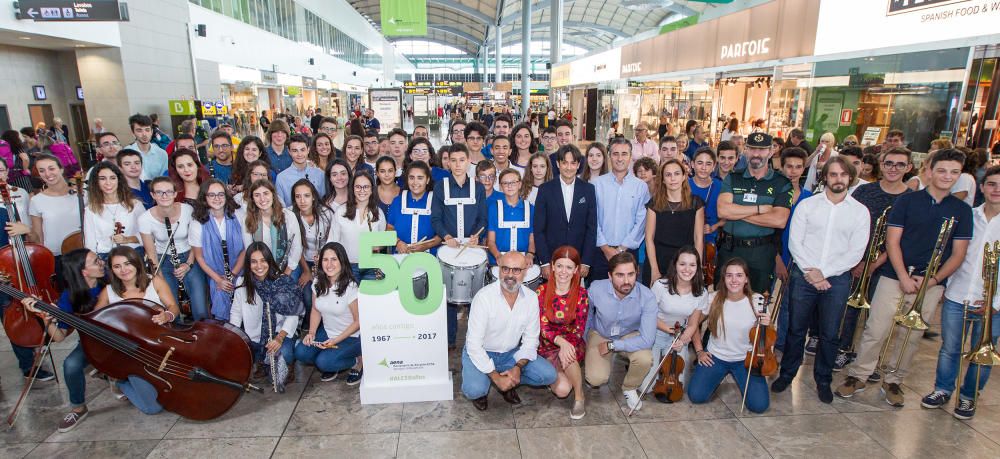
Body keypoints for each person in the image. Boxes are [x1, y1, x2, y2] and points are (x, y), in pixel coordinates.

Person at [836, 149, 973, 407]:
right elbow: (893, 241)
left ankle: (894, 380)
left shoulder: (962, 211)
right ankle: (859, 375)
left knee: (911, 335)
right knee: (876, 329)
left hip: (930, 283)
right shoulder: (907, 201)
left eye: (954, 172)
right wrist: (902, 275)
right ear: (929, 171)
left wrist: (932, 281)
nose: (947, 176)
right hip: (894, 276)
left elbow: (958, 254)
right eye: (942, 170)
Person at [771, 157, 871, 404]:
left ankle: (823, 380)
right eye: (833, 174)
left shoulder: (859, 211)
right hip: (803, 275)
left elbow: (856, 251)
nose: (838, 179)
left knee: (829, 333)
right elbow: (795, 241)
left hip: (836, 279)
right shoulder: (808, 205)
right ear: (825, 177)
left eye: (843, 175)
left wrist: (824, 273)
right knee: (796, 329)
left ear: (850, 178)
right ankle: (787, 374)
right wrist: (811, 271)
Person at [921, 165, 1000, 419]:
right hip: (958, 294)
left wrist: (995, 302)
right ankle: (943, 389)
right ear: (983, 187)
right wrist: (945, 285)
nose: (996, 190)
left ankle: (968, 396)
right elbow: (953, 254)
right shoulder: (968, 215)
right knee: (950, 348)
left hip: (994, 303)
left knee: (983, 351)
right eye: (991, 184)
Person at [834, 147, 914, 370]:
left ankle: (870, 358)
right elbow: (847, 225)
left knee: (879, 315)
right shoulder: (864, 191)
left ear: (908, 168)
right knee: (850, 308)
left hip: (888, 264)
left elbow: (905, 237)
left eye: (900, 165)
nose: (893, 169)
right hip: (856, 261)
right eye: (889, 163)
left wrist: (874, 263)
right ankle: (844, 349)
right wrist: (856, 261)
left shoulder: (911, 199)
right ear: (881, 164)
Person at [461, 251, 557, 411]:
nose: (510, 275)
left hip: (511, 354)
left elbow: (531, 340)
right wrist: (495, 377)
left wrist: (517, 368)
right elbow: (474, 345)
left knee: (548, 375)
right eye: (505, 269)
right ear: (498, 269)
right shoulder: (483, 298)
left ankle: (510, 380)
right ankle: (486, 386)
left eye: (516, 270)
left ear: (525, 271)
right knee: (474, 390)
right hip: (481, 351)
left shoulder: (532, 298)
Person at [20, 249, 104, 431]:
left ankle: (113, 377)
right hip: (90, 343)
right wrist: (45, 318)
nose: (102, 262)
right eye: (96, 261)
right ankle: (78, 408)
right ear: (84, 271)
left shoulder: (110, 282)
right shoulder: (70, 296)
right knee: (70, 365)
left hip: (123, 338)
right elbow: (59, 337)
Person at [96, 246, 180, 412]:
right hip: (131, 354)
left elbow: (173, 307)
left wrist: (167, 315)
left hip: (161, 345)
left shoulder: (154, 282)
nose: (123, 270)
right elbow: (95, 319)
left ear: (136, 263)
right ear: (112, 270)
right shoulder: (108, 292)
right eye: (117, 266)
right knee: (153, 408)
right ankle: (121, 382)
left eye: (127, 264)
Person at [682, 258, 770, 413]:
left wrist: (766, 325)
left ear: (746, 279)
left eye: (739, 275)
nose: (734, 280)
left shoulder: (758, 301)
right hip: (716, 358)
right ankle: (716, 375)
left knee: (759, 406)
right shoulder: (713, 298)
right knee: (696, 396)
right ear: (723, 278)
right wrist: (699, 351)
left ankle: (735, 377)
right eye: (729, 275)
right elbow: (693, 324)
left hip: (746, 360)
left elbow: (767, 338)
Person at [716, 132, 793, 292]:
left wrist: (737, 212)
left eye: (762, 149)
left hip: (761, 253)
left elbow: (779, 220)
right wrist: (760, 209)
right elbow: (723, 211)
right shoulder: (733, 177)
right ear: (745, 150)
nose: (756, 154)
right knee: (722, 302)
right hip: (731, 250)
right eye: (752, 149)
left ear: (771, 151)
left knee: (756, 304)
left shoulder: (781, 183)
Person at [584, 252, 656, 411]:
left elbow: (648, 339)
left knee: (645, 358)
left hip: (629, 334)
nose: (626, 281)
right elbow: (586, 316)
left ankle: (630, 387)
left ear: (637, 272)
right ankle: (597, 366)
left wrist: (614, 346)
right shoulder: (596, 288)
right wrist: (584, 342)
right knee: (596, 379)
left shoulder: (647, 296)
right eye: (620, 275)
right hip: (600, 333)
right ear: (610, 276)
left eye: (631, 274)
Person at [431, 144, 486, 346]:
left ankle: (476, 339)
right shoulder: (440, 187)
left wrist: (476, 237)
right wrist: (446, 236)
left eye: (461, 160)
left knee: (476, 294)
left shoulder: (478, 187)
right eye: (452, 160)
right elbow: (435, 218)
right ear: (447, 162)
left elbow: (483, 218)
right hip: (450, 247)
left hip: (472, 247)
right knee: (448, 296)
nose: (457, 165)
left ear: (468, 160)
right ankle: (449, 339)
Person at [639, 247, 708, 402]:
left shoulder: (701, 292)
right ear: (675, 265)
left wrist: (682, 341)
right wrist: (669, 330)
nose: (687, 269)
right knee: (646, 388)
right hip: (655, 333)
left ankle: (663, 370)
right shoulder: (660, 286)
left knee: (677, 382)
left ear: (697, 268)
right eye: (682, 264)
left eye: (692, 265)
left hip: (678, 337)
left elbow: (692, 324)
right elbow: (648, 316)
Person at [230, 242, 302, 389]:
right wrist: (233, 339)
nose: (259, 266)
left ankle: (288, 364)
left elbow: (293, 315)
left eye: (263, 260)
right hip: (255, 337)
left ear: (269, 261)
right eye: (254, 261)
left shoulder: (282, 282)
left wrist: (279, 338)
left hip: (280, 333)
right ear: (248, 264)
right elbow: (236, 313)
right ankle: (263, 362)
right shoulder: (242, 282)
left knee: (285, 355)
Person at [139, 177, 209, 320]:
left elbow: (196, 243)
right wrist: (159, 277)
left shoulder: (188, 210)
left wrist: (188, 265)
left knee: (200, 308)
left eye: (168, 192)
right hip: (163, 261)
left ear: (175, 193)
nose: (164, 196)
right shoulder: (145, 219)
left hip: (189, 256)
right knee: (171, 308)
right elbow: (151, 253)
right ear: (152, 195)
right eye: (159, 192)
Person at [296, 241, 364, 383]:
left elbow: (359, 322)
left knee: (324, 362)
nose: (329, 264)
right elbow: (315, 309)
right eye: (325, 260)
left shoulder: (350, 286)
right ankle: (334, 361)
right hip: (328, 331)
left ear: (342, 261)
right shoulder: (317, 283)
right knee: (301, 352)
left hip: (351, 336)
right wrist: (312, 333)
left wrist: (335, 340)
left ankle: (357, 361)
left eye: (334, 259)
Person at [536, 246, 589, 419]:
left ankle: (580, 397)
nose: (563, 271)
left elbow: (580, 328)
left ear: (576, 270)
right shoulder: (541, 292)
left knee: (568, 354)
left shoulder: (581, 294)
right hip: (547, 346)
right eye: (559, 266)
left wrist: (567, 346)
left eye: (568, 267)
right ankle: (555, 373)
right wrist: (561, 343)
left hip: (572, 342)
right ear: (552, 266)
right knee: (562, 390)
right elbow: (542, 327)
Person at [534, 145, 598, 281]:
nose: (569, 167)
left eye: (573, 163)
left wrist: (586, 261)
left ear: (578, 164)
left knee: (575, 300)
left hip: (578, 260)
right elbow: (539, 229)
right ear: (557, 164)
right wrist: (544, 262)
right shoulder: (545, 190)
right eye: (564, 163)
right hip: (552, 259)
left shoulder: (588, 190)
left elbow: (591, 228)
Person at [592, 138, 650, 281]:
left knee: (627, 297)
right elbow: (592, 219)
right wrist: (606, 248)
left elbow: (642, 222)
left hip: (629, 252)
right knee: (599, 297)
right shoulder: (597, 184)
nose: (619, 158)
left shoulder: (641, 187)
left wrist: (621, 249)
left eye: (624, 154)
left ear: (631, 157)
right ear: (609, 156)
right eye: (615, 153)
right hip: (600, 252)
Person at [191, 179, 245, 321]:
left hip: (240, 271)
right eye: (212, 195)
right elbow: (200, 257)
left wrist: (232, 275)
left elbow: (245, 249)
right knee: (220, 294)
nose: (217, 199)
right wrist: (218, 279)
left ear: (226, 196)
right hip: (215, 274)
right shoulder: (197, 222)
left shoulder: (239, 215)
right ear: (204, 198)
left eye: (221, 194)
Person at [645, 159, 705, 284]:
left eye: (677, 174)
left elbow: (698, 238)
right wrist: (654, 270)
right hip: (658, 260)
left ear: (684, 176)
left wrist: (697, 268)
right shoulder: (654, 204)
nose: (673, 178)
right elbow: (649, 238)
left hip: (685, 263)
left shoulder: (695, 203)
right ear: (662, 179)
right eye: (668, 175)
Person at [30, 154, 82, 278]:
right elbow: (39, 238)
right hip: (57, 257)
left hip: (83, 252)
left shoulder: (81, 193)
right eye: (42, 171)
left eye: (51, 168)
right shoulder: (36, 200)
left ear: (61, 169)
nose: (47, 174)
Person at [328, 171, 385, 281]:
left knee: (369, 297)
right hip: (347, 267)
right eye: (358, 187)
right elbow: (332, 242)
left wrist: (376, 247)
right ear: (352, 189)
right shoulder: (340, 212)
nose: (362, 190)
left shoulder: (379, 213)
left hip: (371, 267)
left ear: (372, 189)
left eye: (366, 187)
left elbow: (381, 244)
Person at [241, 179, 302, 277]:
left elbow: (297, 247)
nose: (262, 199)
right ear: (252, 199)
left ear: (273, 195)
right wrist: (261, 273)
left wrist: (287, 272)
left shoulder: (288, 216)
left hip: (288, 267)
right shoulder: (247, 219)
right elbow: (250, 250)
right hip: (260, 269)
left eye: (266, 193)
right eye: (257, 195)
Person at [290, 179, 334, 315]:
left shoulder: (326, 213)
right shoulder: (290, 215)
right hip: (300, 260)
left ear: (313, 196)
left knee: (321, 293)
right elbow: (295, 247)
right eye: (298, 196)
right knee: (303, 293)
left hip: (323, 260)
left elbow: (332, 240)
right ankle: (300, 323)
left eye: (306, 196)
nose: (302, 201)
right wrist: (306, 270)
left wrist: (322, 262)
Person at [84, 163, 144, 259]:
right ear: (96, 182)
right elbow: (90, 243)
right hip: (105, 256)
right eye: (102, 178)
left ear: (119, 180)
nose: (108, 183)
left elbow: (147, 236)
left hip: (133, 254)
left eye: (112, 178)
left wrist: (127, 239)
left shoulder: (135, 205)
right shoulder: (91, 209)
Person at [387, 161, 441, 255]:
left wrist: (426, 246)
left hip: (429, 258)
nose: (415, 182)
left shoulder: (436, 201)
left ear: (427, 180)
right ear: (407, 179)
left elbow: (441, 234)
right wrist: (398, 242)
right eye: (411, 178)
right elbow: (389, 228)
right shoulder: (397, 201)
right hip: (400, 256)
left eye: (420, 178)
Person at [487, 168, 535, 265]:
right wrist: (498, 255)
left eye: (513, 182)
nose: (509, 186)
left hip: (523, 262)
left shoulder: (530, 208)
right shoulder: (493, 208)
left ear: (520, 184)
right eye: (505, 183)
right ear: (500, 187)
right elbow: (491, 241)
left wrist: (530, 254)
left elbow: (532, 238)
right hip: (499, 262)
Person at [275, 134, 326, 207]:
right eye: (295, 151)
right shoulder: (281, 178)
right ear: (289, 152)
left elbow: (323, 200)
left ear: (308, 150)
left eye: (302, 150)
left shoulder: (320, 174)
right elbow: (281, 206)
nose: (299, 154)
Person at [689, 148, 724, 251]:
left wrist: (714, 226)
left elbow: (729, 216)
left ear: (714, 167)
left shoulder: (720, 186)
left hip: (710, 243)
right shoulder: (684, 186)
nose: (704, 168)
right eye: (700, 163)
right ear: (692, 164)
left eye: (708, 164)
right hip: (687, 240)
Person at [126, 114, 168, 180]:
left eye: (147, 130)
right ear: (133, 132)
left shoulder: (162, 154)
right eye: (139, 130)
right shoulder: (126, 152)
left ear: (151, 131)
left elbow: (164, 179)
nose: (144, 134)